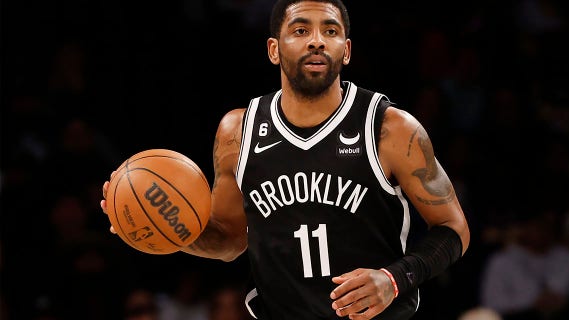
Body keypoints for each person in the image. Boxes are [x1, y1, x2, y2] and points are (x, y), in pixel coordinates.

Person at [101, 0, 470, 318]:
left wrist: (394, 279)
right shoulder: (237, 131)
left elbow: (455, 228)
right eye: (300, 30)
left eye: (330, 31)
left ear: (346, 50)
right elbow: (229, 241)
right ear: (274, 49)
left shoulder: (390, 128)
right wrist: (165, 229)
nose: (316, 40)